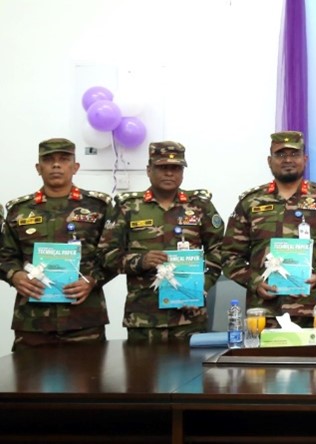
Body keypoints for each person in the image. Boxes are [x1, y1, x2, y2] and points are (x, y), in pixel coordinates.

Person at [221, 131, 316, 327]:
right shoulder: (251, 202)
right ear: (269, 161)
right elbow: (230, 255)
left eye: (294, 154)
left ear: (305, 159)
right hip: (264, 313)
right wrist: (254, 281)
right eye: (280, 154)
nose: (287, 160)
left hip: (312, 312)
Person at [98, 141, 225, 342]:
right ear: (149, 170)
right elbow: (106, 254)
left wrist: (201, 286)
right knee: (141, 365)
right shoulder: (128, 207)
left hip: (189, 316)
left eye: (176, 168)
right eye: (162, 167)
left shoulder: (200, 206)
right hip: (144, 318)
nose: (169, 173)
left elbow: (219, 250)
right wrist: (140, 261)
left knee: (191, 363)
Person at [0, 138, 112, 350]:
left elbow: (113, 255)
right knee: (28, 373)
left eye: (64, 159)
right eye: (48, 160)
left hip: (84, 319)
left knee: (88, 371)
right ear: (38, 168)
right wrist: (15, 275)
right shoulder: (19, 210)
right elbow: (5, 256)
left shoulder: (98, 207)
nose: (56, 165)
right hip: (32, 321)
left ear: (75, 167)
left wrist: (93, 280)